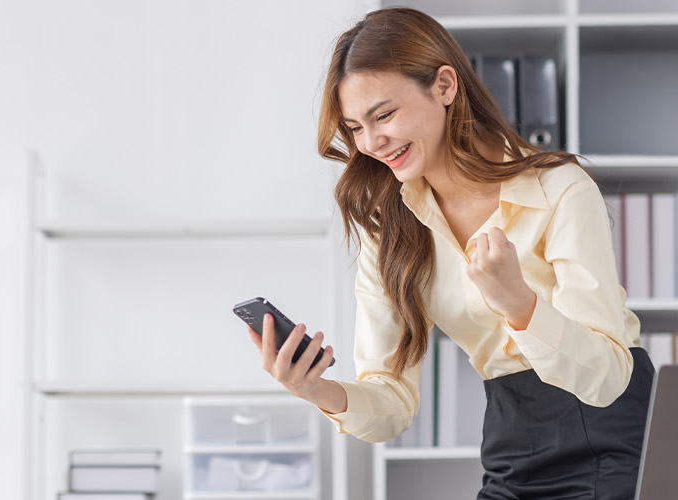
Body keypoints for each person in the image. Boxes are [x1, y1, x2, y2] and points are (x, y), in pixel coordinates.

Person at [244, 6, 654, 500]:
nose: (372, 143)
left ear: (444, 86)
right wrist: (315, 390)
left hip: (611, 441)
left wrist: (521, 307)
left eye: (385, 115)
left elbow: (607, 379)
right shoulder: (390, 226)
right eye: (354, 128)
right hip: (512, 442)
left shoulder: (559, 189)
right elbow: (393, 401)